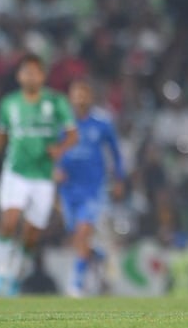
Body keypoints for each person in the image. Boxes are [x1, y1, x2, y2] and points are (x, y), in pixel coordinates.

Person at [0, 53, 79, 296]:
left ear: (43, 75)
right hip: (16, 172)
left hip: (43, 176)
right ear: (19, 76)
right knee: (9, 220)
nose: (31, 76)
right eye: (26, 72)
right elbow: (1, 134)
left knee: (31, 234)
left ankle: (15, 275)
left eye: (35, 71)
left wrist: (60, 149)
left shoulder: (56, 102)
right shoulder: (9, 103)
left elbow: (73, 134)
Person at [56, 80, 126, 297]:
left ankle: (76, 283)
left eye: (84, 94)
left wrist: (119, 179)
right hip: (68, 190)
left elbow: (115, 153)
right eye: (76, 94)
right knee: (77, 235)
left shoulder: (102, 123)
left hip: (93, 189)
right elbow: (53, 151)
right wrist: (56, 169)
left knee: (84, 230)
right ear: (70, 97)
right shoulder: (63, 124)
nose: (80, 98)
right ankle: (100, 257)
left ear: (91, 97)